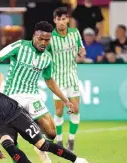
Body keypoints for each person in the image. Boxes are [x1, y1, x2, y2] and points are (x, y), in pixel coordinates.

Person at [0, 21, 74, 163]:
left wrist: (65, 100)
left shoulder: (47, 57)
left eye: (47, 40)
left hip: (32, 96)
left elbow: (49, 80)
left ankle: (40, 147)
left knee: (51, 132)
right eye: (41, 39)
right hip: (11, 96)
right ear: (34, 36)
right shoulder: (19, 46)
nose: (44, 43)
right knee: (11, 136)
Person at [47, 7, 85, 150]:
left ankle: (71, 140)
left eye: (64, 19)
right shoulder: (50, 38)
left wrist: (82, 50)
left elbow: (81, 48)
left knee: (75, 109)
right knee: (59, 111)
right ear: (54, 20)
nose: (61, 22)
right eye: (58, 19)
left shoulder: (75, 33)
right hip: (57, 79)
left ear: (68, 19)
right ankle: (58, 140)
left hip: (72, 77)